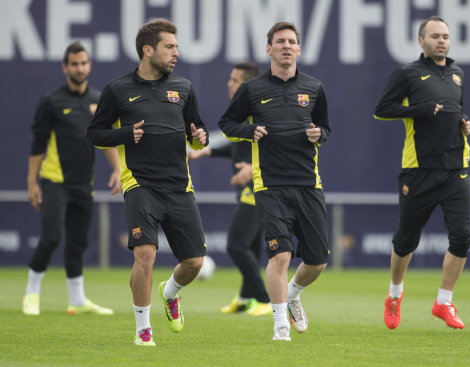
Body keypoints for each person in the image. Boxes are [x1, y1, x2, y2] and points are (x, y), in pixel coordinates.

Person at [87, 19, 209, 346]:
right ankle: (143, 330)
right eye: (169, 47)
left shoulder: (183, 87)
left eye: (176, 47)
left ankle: (170, 292)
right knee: (145, 255)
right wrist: (125, 134)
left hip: (179, 186)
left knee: (195, 262)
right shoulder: (118, 89)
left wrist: (199, 137)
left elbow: (197, 134)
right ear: (148, 50)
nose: (176, 53)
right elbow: (94, 134)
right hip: (140, 184)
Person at [218, 22, 331, 341]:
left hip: (309, 184)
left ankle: (293, 294)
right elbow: (227, 123)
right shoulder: (252, 89)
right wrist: (248, 130)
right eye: (279, 41)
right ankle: (280, 325)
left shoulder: (314, 87)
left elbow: (325, 127)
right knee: (279, 256)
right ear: (268, 49)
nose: (286, 46)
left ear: (299, 49)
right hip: (269, 185)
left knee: (318, 261)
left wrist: (318, 134)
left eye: (291, 42)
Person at [373, 16, 470, 330]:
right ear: (421, 41)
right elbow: (382, 109)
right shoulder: (407, 74)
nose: (442, 41)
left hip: (456, 170)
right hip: (419, 172)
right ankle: (394, 294)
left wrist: (466, 125)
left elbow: (456, 112)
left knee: (462, 237)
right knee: (406, 240)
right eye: (435, 36)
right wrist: (416, 110)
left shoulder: (457, 74)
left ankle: (443, 302)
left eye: (445, 36)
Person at [23, 41, 121, 316]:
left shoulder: (98, 100)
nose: (79, 68)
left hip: (83, 184)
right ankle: (31, 293)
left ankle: (77, 300)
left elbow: (105, 139)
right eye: (74, 64)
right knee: (51, 238)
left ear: (89, 65)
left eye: (83, 63)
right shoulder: (51, 102)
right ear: (65, 67)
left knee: (78, 243)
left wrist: (116, 169)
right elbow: (37, 145)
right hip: (54, 181)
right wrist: (32, 182)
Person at [188, 62, 271, 316]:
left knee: (236, 245)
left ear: (245, 85)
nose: (228, 84)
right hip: (250, 187)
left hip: (259, 187)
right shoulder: (241, 112)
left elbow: (278, 148)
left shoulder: (261, 112)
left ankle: (266, 300)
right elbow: (236, 147)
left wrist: (253, 168)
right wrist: (208, 152)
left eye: (234, 80)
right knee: (252, 246)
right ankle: (246, 297)